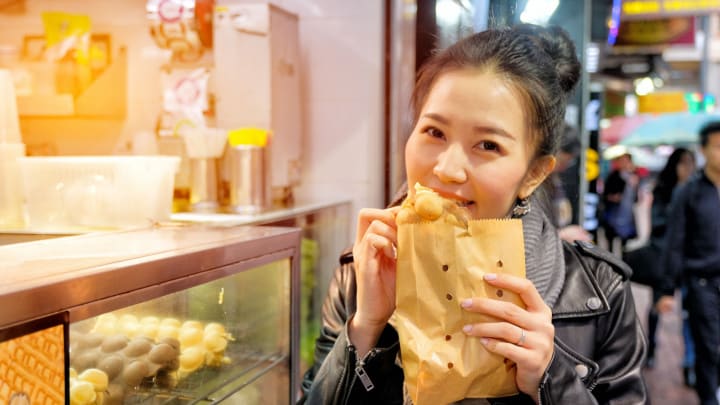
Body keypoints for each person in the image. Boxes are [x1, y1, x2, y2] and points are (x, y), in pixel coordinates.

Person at [300, 24, 647, 404]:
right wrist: (367, 329)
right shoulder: (360, 276)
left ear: (533, 174)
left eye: (487, 144)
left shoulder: (600, 294)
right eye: (434, 132)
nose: (448, 169)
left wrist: (551, 380)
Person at [656, 121, 720, 405]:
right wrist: (666, 289)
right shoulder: (690, 192)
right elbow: (674, 242)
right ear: (705, 149)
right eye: (718, 147)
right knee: (708, 347)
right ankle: (709, 399)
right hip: (702, 283)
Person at [639, 148, 696, 383]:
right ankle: (650, 349)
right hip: (664, 260)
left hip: (690, 261)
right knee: (657, 306)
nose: (687, 168)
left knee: (690, 311)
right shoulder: (664, 190)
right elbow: (659, 224)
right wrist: (681, 192)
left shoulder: (698, 190)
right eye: (683, 163)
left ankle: (689, 363)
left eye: (690, 163)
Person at [549, 124, 592, 243]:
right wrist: (561, 235)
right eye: (566, 160)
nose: (566, 165)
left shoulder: (554, 180)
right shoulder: (533, 184)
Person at [600, 149, 639, 255]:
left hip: (627, 216)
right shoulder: (613, 176)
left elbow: (636, 199)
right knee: (611, 244)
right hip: (613, 214)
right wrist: (613, 197)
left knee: (625, 246)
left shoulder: (633, 177)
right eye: (622, 161)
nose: (624, 163)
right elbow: (605, 195)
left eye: (626, 161)